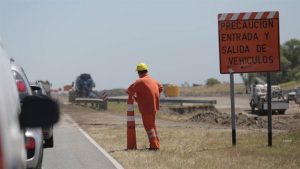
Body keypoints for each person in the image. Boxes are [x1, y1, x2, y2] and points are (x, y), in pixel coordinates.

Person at [127, 62, 163, 150]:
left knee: (149, 127)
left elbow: (129, 90)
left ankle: (154, 146)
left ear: (139, 72)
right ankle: (156, 144)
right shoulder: (153, 80)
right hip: (154, 107)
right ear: (146, 70)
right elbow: (161, 88)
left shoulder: (139, 81)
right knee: (152, 126)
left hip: (146, 108)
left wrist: (134, 97)